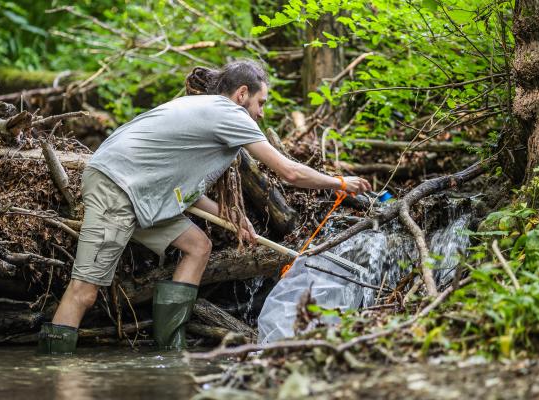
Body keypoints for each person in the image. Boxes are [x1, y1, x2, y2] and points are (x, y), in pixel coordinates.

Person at [37, 60, 371, 354]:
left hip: (142, 191)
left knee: (198, 246)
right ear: (242, 94)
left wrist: (232, 217)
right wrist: (339, 183)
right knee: (84, 291)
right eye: (260, 103)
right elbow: (289, 172)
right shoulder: (228, 114)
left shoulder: (205, 111)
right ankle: (55, 370)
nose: (262, 112)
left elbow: (182, 188)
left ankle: (169, 350)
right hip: (117, 187)